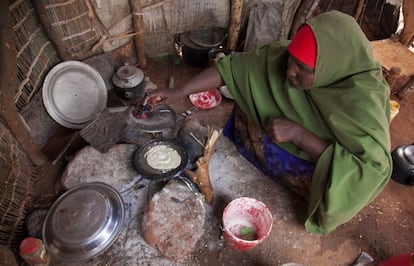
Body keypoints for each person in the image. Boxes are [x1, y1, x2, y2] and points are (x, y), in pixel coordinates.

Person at [146, 10, 392, 234]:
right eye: (291, 59)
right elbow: (230, 69)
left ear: (330, 68)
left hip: (311, 164)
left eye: (302, 68)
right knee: (251, 88)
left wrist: (299, 135)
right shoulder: (285, 57)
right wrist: (179, 91)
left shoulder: (363, 101)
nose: (289, 70)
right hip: (272, 136)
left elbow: (368, 172)